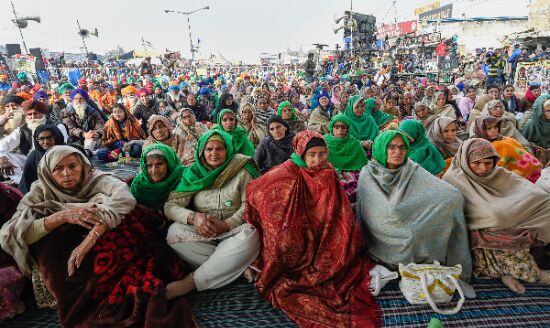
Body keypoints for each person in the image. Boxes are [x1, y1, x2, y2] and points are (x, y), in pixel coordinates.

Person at [0, 146, 197, 326]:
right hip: (68, 250)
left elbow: (124, 198)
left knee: (123, 219)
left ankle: (100, 289)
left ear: (83, 166)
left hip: (103, 241)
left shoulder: (96, 179)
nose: (67, 174)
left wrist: (93, 234)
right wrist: (62, 216)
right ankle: (77, 292)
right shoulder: (40, 191)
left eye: (72, 166)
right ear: (47, 173)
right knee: (50, 239)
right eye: (58, 169)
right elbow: (12, 232)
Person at [244, 130, 380, 327]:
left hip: (325, 229)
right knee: (283, 245)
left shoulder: (328, 172)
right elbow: (257, 188)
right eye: (312, 155)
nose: (317, 160)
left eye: (322, 154)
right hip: (298, 226)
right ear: (301, 153)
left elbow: (338, 208)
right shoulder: (289, 169)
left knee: (345, 248)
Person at [357, 130, 471, 279]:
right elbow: (383, 212)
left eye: (402, 147)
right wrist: (401, 213)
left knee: (452, 200)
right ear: (380, 148)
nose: (398, 152)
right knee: (409, 235)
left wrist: (451, 201)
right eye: (391, 147)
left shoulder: (410, 168)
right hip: (384, 231)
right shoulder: (368, 174)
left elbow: (443, 191)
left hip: (410, 220)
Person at [443, 138, 550, 294]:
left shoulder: (498, 173)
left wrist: (513, 212)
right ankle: (530, 273)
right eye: (477, 163)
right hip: (478, 232)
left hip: (510, 221)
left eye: (488, 162)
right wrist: (505, 215)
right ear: (465, 161)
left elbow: (529, 191)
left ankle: (525, 265)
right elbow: (488, 215)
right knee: (502, 235)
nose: (483, 168)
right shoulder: (454, 179)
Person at [164, 130, 261, 299]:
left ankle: (191, 282)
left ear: (228, 149)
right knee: (174, 232)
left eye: (219, 149)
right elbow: (171, 205)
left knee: (251, 233)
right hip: (205, 233)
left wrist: (228, 224)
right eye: (209, 149)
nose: (214, 154)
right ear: (202, 151)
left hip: (235, 231)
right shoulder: (194, 173)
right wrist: (195, 219)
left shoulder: (242, 168)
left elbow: (251, 204)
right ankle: (235, 266)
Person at [0, 100, 55, 183]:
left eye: (36, 113)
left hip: (51, 160)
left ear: (42, 115)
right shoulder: (22, 130)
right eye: (29, 114)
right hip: (29, 160)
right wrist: (3, 158)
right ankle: (23, 182)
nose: (33, 117)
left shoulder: (56, 127)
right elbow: (3, 144)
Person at [473, 116, 541, 182]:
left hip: (533, 173)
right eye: (489, 128)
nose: (493, 130)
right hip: (516, 180)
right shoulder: (482, 148)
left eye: (495, 127)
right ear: (481, 131)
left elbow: (523, 153)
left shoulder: (507, 139)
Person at [324, 114, 368, 206]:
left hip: (353, 171)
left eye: (343, 127)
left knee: (358, 187)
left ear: (347, 129)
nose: (340, 130)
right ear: (332, 127)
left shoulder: (353, 142)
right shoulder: (324, 142)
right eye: (336, 127)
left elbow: (363, 163)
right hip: (330, 171)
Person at [130, 143, 185, 210]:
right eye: (149, 165)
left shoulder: (183, 177)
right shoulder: (139, 185)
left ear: (170, 162)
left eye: (160, 164)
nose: (154, 170)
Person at [18, 124, 65, 194]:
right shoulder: (34, 156)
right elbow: (26, 183)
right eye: (41, 139)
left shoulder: (67, 152)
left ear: (57, 137)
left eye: (50, 138)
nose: (46, 142)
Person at [62, 88, 104, 156]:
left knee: (90, 139)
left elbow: (100, 123)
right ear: (72, 100)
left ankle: (87, 153)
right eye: (76, 99)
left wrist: (97, 133)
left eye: (81, 98)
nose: (78, 101)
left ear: (85, 100)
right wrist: (84, 134)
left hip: (90, 138)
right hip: (73, 140)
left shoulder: (92, 111)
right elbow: (71, 129)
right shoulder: (66, 112)